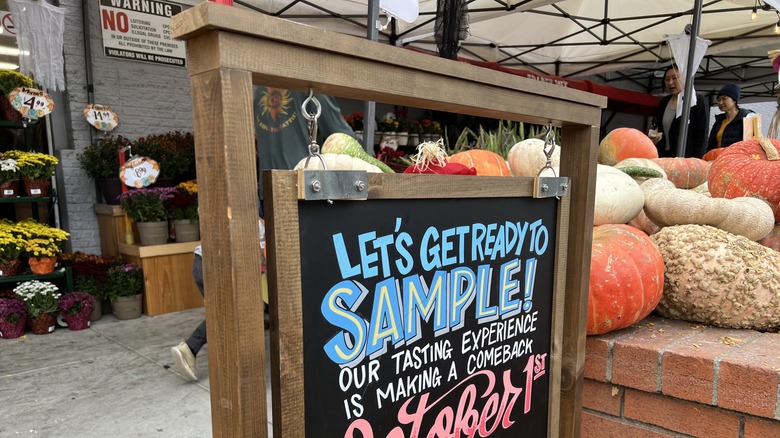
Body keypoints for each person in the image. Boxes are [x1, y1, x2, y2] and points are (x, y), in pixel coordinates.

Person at [170, 88, 354, 381]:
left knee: (266, 285)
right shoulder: (311, 91)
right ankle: (306, 363)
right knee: (296, 281)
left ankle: (203, 346)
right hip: (308, 195)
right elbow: (343, 141)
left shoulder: (256, 94)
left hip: (268, 195)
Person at [648, 64, 708, 158]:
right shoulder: (663, 102)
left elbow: (701, 136)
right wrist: (653, 138)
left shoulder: (697, 101)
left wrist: (696, 160)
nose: (670, 82)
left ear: (685, 78)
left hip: (686, 157)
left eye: (674, 78)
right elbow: (657, 127)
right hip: (663, 155)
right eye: (667, 79)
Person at [707, 83, 753, 152]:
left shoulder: (746, 118)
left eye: (724, 99)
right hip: (718, 159)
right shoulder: (719, 121)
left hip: (736, 160)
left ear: (734, 100)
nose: (720, 102)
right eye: (719, 100)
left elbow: (750, 145)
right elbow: (711, 145)